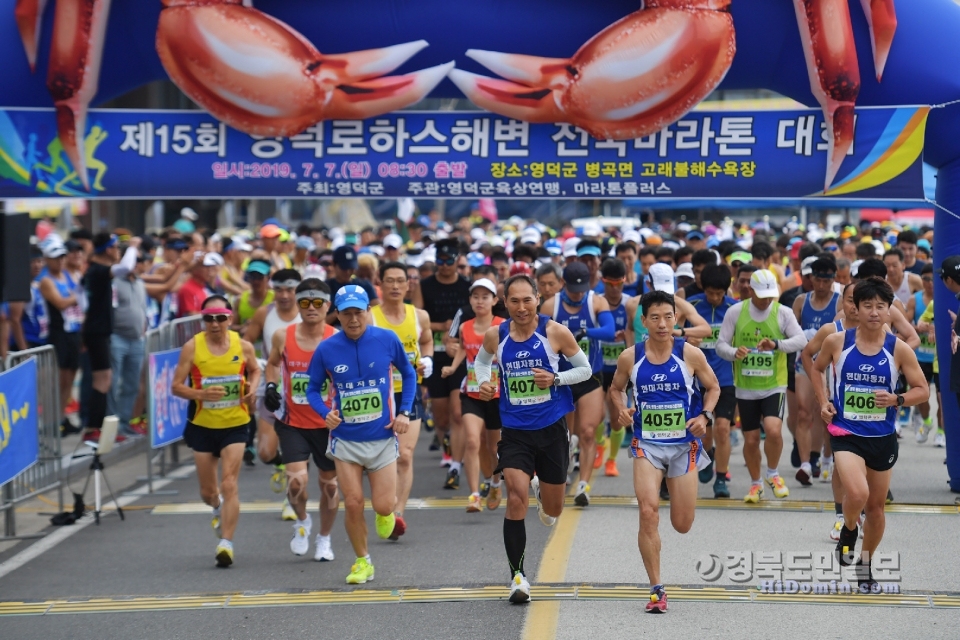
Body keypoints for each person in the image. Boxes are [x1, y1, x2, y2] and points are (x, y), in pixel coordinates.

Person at [474, 274, 589, 604]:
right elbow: (482, 362)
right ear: (504, 302)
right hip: (515, 432)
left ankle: (543, 489)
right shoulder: (496, 335)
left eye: (527, 300)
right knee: (515, 496)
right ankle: (518, 577)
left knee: (553, 509)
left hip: (552, 430)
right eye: (514, 301)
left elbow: (584, 370)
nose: (521, 307)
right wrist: (484, 382)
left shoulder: (554, 332)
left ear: (538, 299)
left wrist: (555, 378)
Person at [811, 278, 928, 590]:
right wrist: (824, 402)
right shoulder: (838, 342)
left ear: (889, 311)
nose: (874, 312)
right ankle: (849, 528)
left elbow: (923, 390)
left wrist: (897, 399)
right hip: (845, 431)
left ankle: (865, 565)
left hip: (882, 436)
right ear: (855, 309)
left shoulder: (899, 349)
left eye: (881, 306)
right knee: (858, 494)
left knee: (876, 508)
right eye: (867, 306)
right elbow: (816, 367)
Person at [609, 290, 720, 613]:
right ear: (643, 322)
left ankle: (675, 505)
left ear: (676, 319)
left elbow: (713, 388)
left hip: (684, 447)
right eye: (654, 318)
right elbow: (615, 389)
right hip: (647, 445)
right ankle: (657, 588)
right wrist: (622, 409)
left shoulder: (690, 355)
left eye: (668, 317)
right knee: (647, 512)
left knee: (682, 523)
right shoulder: (631, 357)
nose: (662, 324)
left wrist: (705, 416)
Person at [306, 285, 416, 585]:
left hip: (381, 438)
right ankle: (362, 561)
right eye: (346, 314)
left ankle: (386, 515)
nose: (353, 319)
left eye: (358, 312)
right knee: (352, 502)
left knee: (382, 505)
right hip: (345, 440)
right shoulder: (327, 348)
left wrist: (404, 412)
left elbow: (409, 373)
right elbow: (312, 388)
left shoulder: (386, 339)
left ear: (368, 311)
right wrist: (323, 413)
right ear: (337, 315)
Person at [171, 296, 260, 567]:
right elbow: (176, 386)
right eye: (209, 318)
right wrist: (200, 393)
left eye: (220, 317)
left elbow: (255, 371)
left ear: (230, 319)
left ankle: (226, 543)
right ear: (203, 321)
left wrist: (252, 389)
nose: (215, 323)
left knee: (229, 483)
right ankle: (216, 507)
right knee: (208, 492)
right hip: (203, 426)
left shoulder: (243, 346)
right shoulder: (192, 347)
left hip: (235, 423)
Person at [264, 279, 339, 561]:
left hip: (328, 423)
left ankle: (325, 539)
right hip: (292, 420)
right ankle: (303, 520)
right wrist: (271, 387)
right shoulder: (283, 336)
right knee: (296, 482)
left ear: (327, 305)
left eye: (317, 303)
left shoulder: (336, 338)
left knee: (329, 486)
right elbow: (272, 364)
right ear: (298, 305)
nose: (311, 308)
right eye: (305, 303)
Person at [716, 269, 808, 503]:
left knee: (774, 430)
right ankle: (756, 483)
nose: (767, 300)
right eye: (762, 295)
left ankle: (773, 473)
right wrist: (735, 352)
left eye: (770, 295)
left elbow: (801, 340)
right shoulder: (736, 312)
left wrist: (776, 344)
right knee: (751, 440)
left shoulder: (782, 313)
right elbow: (720, 345)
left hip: (773, 384)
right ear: (751, 291)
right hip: (745, 386)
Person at [539, 261, 615, 506]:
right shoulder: (552, 305)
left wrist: (585, 333)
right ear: (564, 285)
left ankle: (583, 485)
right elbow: (537, 336)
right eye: (573, 290)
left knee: (589, 431)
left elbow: (610, 330)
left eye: (582, 289)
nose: (578, 294)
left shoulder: (596, 302)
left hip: (589, 377)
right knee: (564, 435)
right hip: (561, 380)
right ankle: (564, 465)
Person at [370, 261, 433, 538]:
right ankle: (384, 504)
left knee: (405, 456)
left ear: (409, 284)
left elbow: (427, 340)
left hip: (408, 391)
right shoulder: (369, 317)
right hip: (377, 394)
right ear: (380, 283)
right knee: (381, 457)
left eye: (400, 281)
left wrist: (428, 360)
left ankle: (397, 514)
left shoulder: (419, 316)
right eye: (390, 281)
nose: (395, 286)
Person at [441, 278, 504, 511]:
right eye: (475, 297)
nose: (480, 301)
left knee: (494, 446)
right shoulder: (465, 326)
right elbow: (463, 350)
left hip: (496, 395)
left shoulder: (502, 325)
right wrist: (453, 367)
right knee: (471, 441)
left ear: (494, 300)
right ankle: (475, 495)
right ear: (470, 300)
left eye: (485, 297)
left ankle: (495, 483)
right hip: (472, 393)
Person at [417, 239, 472, 476]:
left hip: (460, 354)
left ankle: (456, 463)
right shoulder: (424, 285)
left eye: (449, 261)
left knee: (458, 412)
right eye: (440, 260)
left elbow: (473, 318)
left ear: (457, 260)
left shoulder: (467, 286)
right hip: (434, 354)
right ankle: (447, 448)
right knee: (440, 416)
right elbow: (418, 318)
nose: (444, 265)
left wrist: (458, 335)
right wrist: (443, 326)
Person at [686, 264, 738, 498]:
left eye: (720, 293)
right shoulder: (693, 307)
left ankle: (721, 478)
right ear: (703, 288)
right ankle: (708, 453)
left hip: (726, 379)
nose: (715, 298)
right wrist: (689, 342)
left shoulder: (734, 308)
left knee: (723, 428)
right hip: (697, 380)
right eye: (710, 293)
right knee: (703, 429)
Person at [81, 234, 139, 441]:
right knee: (102, 380)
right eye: (116, 247)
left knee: (105, 379)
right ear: (108, 249)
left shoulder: (96, 271)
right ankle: (93, 428)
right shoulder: (97, 270)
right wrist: (132, 247)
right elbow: (125, 268)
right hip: (96, 332)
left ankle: (99, 428)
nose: (118, 252)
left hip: (101, 331)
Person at [791, 256, 841, 485]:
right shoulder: (801, 301)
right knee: (803, 412)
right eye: (818, 280)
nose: (821, 285)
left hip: (830, 365)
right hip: (805, 361)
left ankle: (827, 458)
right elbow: (790, 332)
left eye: (826, 281)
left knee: (827, 414)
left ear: (834, 279)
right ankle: (805, 465)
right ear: (811, 278)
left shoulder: (839, 302)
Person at [38, 237, 83, 436]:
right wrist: (78, 296)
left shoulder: (68, 275)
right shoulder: (46, 280)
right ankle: (52, 421)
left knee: (70, 378)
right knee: (58, 380)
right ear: (47, 258)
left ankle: (61, 418)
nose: (61, 261)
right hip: (58, 334)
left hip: (73, 331)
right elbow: (60, 303)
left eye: (62, 257)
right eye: (56, 258)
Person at [109, 244, 150, 437]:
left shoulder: (140, 283)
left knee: (132, 384)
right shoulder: (115, 282)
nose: (138, 264)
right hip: (117, 338)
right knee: (114, 383)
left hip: (137, 340)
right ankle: (111, 425)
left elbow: (142, 309)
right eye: (135, 259)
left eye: (140, 260)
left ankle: (124, 423)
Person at [597, 258, 630, 477]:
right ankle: (599, 443)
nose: (615, 289)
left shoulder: (629, 304)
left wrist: (626, 337)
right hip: (599, 366)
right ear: (603, 282)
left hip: (620, 368)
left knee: (618, 415)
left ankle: (611, 460)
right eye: (610, 284)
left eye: (619, 284)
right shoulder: (596, 302)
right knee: (597, 414)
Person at [905, 263, 937, 442]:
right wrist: (919, 327)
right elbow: (905, 322)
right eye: (926, 278)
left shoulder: (947, 298)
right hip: (920, 356)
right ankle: (926, 420)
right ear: (921, 280)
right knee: (921, 394)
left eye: (933, 279)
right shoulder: (914, 299)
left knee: (942, 398)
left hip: (938, 357)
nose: (930, 282)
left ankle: (941, 432)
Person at [234, 259, 274, 331]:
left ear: (268, 278)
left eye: (260, 277)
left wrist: (256, 325)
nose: (256, 281)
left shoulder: (275, 299)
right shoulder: (240, 300)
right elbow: (232, 327)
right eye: (252, 276)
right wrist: (243, 327)